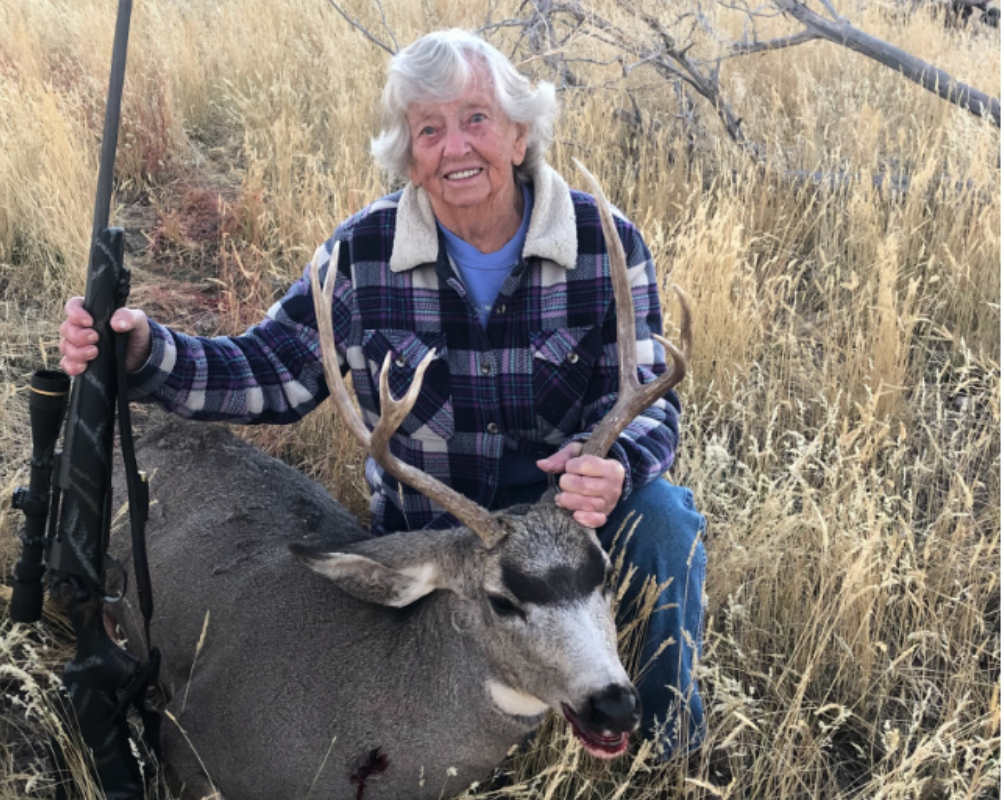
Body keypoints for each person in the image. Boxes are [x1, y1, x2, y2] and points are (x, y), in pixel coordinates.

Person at [59, 28, 705, 761]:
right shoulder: (362, 255)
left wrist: (617, 466)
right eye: (429, 129)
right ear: (409, 153)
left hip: (567, 522)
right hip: (441, 532)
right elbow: (270, 371)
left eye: (476, 119)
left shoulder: (604, 244)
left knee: (663, 519)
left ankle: (667, 745)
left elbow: (647, 392)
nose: (455, 147)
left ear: (520, 135)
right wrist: (147, 351)